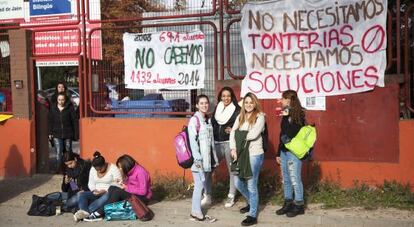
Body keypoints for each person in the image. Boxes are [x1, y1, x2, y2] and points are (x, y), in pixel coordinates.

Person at [230, 92, 265, 226]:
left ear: (255, 103)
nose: (249, 105)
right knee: (238, 182)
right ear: (243, 104)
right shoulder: (240, 116)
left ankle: (252, 214)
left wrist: (240, 135)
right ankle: (252, 202)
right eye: (246, 102)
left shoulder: (260, 116)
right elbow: (233, 132)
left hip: (254, 154)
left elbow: (254, 134)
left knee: (251, 184)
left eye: (251, 102)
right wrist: (233, 148)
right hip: (239, 153)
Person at [84, 154, 153, 222]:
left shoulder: (140, 172)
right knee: (112, 187)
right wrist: (122, 183)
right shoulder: (130, 172)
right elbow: (131, 185)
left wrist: (126, 187)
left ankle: (98, 213)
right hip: (134, 195)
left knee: (117, 192)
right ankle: (102, 211)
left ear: (126, 165)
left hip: (143, 198)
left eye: (120, 167)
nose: (119, 169)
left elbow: (143, 191)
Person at [275, 90, 306, 217]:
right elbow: (282, 134)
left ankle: (299, 205)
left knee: (295, 179)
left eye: (283, 99)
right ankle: (288, 203)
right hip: (284, 151)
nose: (281, 101)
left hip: (294, 152)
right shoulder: (285, 114)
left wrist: (288, 114)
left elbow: (292, 134)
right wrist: (278, 153)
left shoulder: (300, 115)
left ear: (289, 100)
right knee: (286, 179)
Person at [188, 94, 218, 222]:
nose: (204, 105)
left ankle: (195, 211)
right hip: (198, 160)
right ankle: (196, 212)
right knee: (199, 186)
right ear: (196, 105)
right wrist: (198, 158)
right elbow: (193, 142)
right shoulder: (194, 120)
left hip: (206, 160)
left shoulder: (206, 119)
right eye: (201, 103)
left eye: (206, 103)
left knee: (200, 186)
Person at [211, 87, 241, 208]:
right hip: (216, 143)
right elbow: (213, 122)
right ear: (220, 97)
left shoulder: (237, 110)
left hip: (229, 143)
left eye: (228, 96)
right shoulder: (217, 108)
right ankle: (207, 193)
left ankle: (231, 196)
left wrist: (233, 128)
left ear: (232, 96)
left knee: (232, 171)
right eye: (223, 96)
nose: (226, 98)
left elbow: (241, 124)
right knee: (209, 168)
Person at [73, 151, 122, 222]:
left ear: (104, 164)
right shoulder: (69, 172)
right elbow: (90, 183)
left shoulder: (113, 169)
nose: (98, 171)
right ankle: (82, 212)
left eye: (100, 169)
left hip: (108, 192)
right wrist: (94, 190)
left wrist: (105, 191)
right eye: (97, 170)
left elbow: (118, 185)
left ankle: (84, 212)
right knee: (76, 197)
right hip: (92, 192)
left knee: (105, 197)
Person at [48, 93, 79, 172]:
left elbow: (74, 121)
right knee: (58, 152)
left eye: (62, 100)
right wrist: (50, 132)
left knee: (68, 151)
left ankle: (69, 168)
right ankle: (59, 169)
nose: (61, 101)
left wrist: (76, 133)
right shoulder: (53, 108)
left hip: (68, 133)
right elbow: (50, 121)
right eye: (59, 100)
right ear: (57, 100)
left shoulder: (70, 108)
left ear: (65, 100)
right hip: (56, 133)